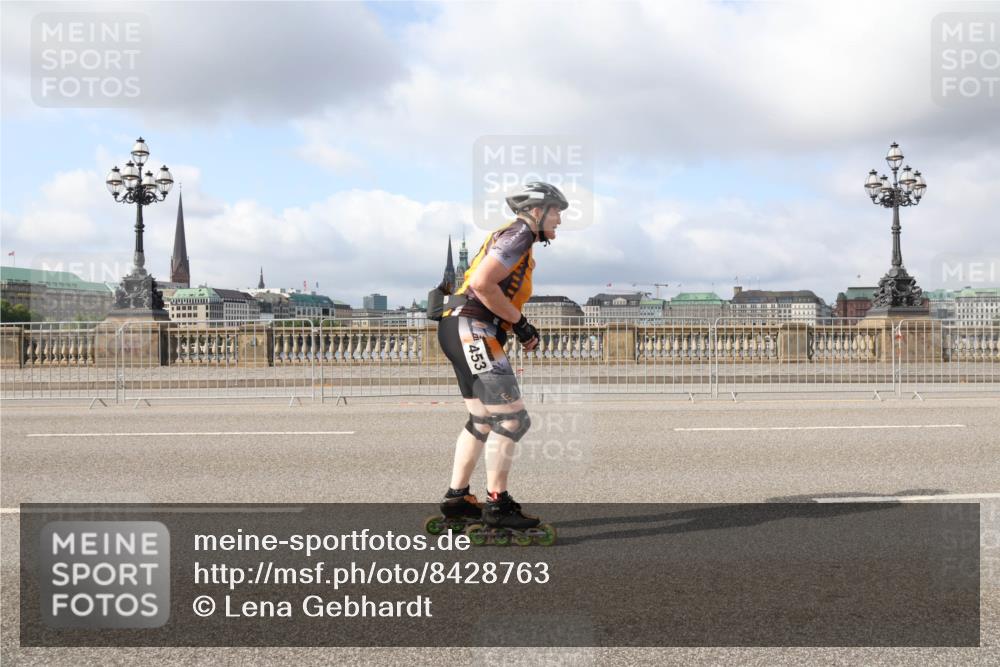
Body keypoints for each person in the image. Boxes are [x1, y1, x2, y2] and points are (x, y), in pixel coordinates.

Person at [436, 181, 568, 534]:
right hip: (474, 328)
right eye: (556, 211)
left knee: (481, 420)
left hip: (458, 326)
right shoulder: (520, 234)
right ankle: (498, 504)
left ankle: (457, 499)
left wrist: (515, 325)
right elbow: (483, 283)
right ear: (537, 211)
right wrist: (521, 324)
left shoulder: (511, 236)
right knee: (512, 420)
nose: (559, 219)